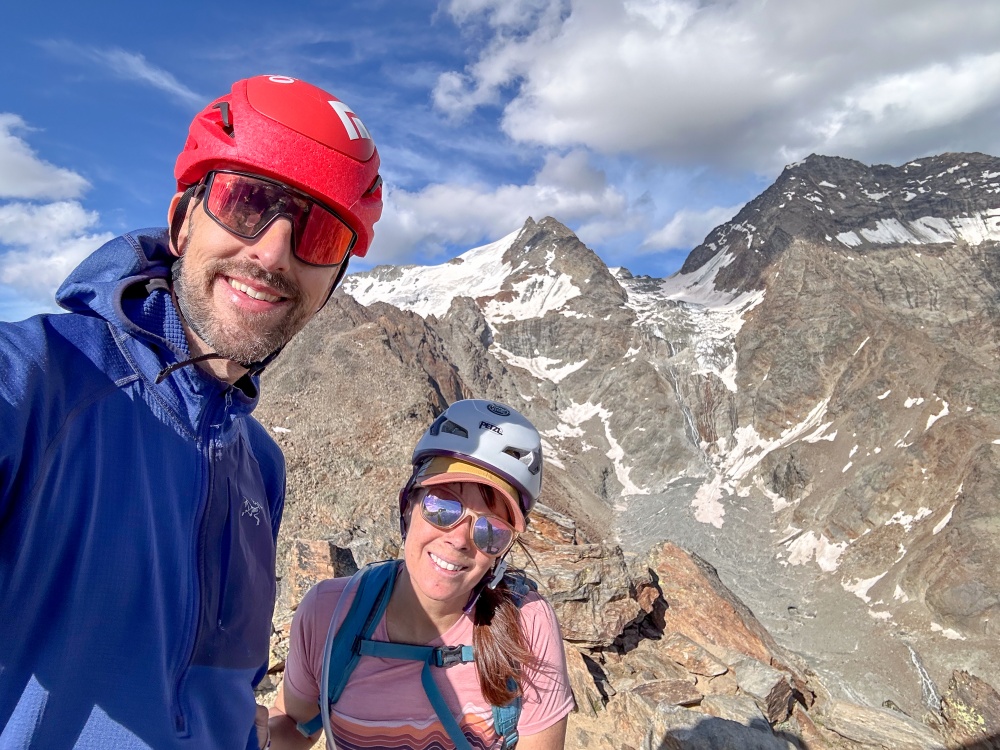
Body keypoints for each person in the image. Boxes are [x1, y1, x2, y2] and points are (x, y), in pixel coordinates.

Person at [0, 74, 382, 749]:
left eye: (319, 235)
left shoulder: (260, 465)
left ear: (333, 284)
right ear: (181, 220)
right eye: (245, 202)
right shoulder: (42, 383)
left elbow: (217, 693)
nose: (270, 252)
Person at [268, 399, 574, 750]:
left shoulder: (527, 627)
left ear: (501, 552)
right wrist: (255, 735)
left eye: (491, 530)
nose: (459, 539)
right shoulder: (328, 613)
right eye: (442, 507)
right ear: (408, 506)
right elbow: (294, 724)